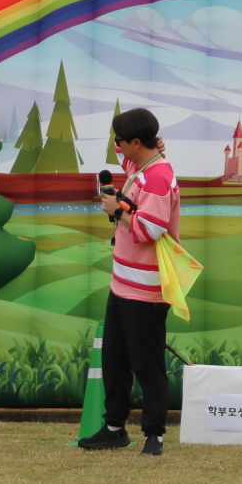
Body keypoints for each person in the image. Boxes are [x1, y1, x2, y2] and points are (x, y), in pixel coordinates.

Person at [78, 107, 177, 455]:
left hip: (147, 289)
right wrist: (156, 147)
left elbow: (151, 229)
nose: (116, 146)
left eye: (120, 140)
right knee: (115, 360)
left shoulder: (159, 177)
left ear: (137, 142)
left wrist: (116, 211)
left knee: (147, 365)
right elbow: (133, 161)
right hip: (123, 283)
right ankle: (114, 427)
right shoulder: (143, 165)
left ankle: (154, 434)